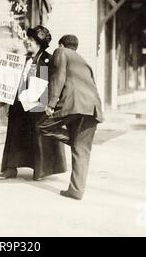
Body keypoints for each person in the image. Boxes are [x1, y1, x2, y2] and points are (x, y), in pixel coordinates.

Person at [0, 25, 66, 181]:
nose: (28, 42)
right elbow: (15, 81)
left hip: (37, 105)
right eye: (28, 39)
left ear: (40, 43)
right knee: (14, 135)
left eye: (32, 40)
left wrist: (50, 104)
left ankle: (40, 169)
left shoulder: (48, 59)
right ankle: (10, 168)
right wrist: (10, 101)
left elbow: (53, 82)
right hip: (19, 104)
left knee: (37, 136)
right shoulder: (23, 59)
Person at [37, 34, 103, 200]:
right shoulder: (84, 61)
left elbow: (58, 77)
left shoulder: (61, 51)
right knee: (82, 149)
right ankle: (76, 191)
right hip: (93, 107)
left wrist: (51, 103)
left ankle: (74, 140)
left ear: (61, 44)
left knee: (43, 126)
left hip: (73, 104)